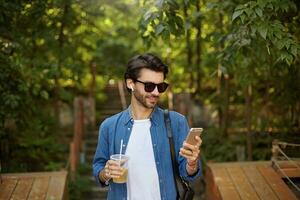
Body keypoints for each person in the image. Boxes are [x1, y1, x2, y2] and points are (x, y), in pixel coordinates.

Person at [93, 53, 202, 200]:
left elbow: (188, 174)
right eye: (149, 86)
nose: (156, 92)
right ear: (130, 83)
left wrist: (192, 163)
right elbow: (98, 167)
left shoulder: (177, 122)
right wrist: (105, 173)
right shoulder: (109, 126)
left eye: (161, 86)